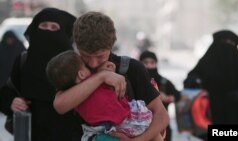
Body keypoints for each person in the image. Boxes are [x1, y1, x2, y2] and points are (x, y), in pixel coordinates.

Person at [53, 11, 169, 141]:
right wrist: (101, 77)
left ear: (111, 46)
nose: (93, 63)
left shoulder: (131, 68)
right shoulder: (72, 67)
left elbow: (161, 115)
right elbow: (60, 105)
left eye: (100, 56)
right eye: (85, 55)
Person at [0, 8, 82, 141]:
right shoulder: (24, 61)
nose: (48, 31)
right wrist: (11, 102)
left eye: (54, 27)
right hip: (32, 134)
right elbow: (7, 91)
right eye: (43, 26)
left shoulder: (77, 64)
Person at [46, 50, 163, 140]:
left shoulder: (74, 93)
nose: (92, 65)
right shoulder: (93, 83)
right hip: (123, 122)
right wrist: (103, 75)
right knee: (151, 127)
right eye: (86, 66)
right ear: (81, 74)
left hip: (100, 131)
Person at [184, 30, 238, 127]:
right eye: (224, 42)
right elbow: (190, 80)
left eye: (231, 43)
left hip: (236, 116)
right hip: (210, 114)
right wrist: (196, 81)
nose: (227, 47)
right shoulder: (205, 64)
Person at [139, 50, 181, 141]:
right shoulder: (135, 81)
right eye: (145, 62)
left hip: (162, 127)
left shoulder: (164, 82)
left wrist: (167, 98)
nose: (149, 66)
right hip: (139, 128)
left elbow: (177, 95)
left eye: (152, 62)